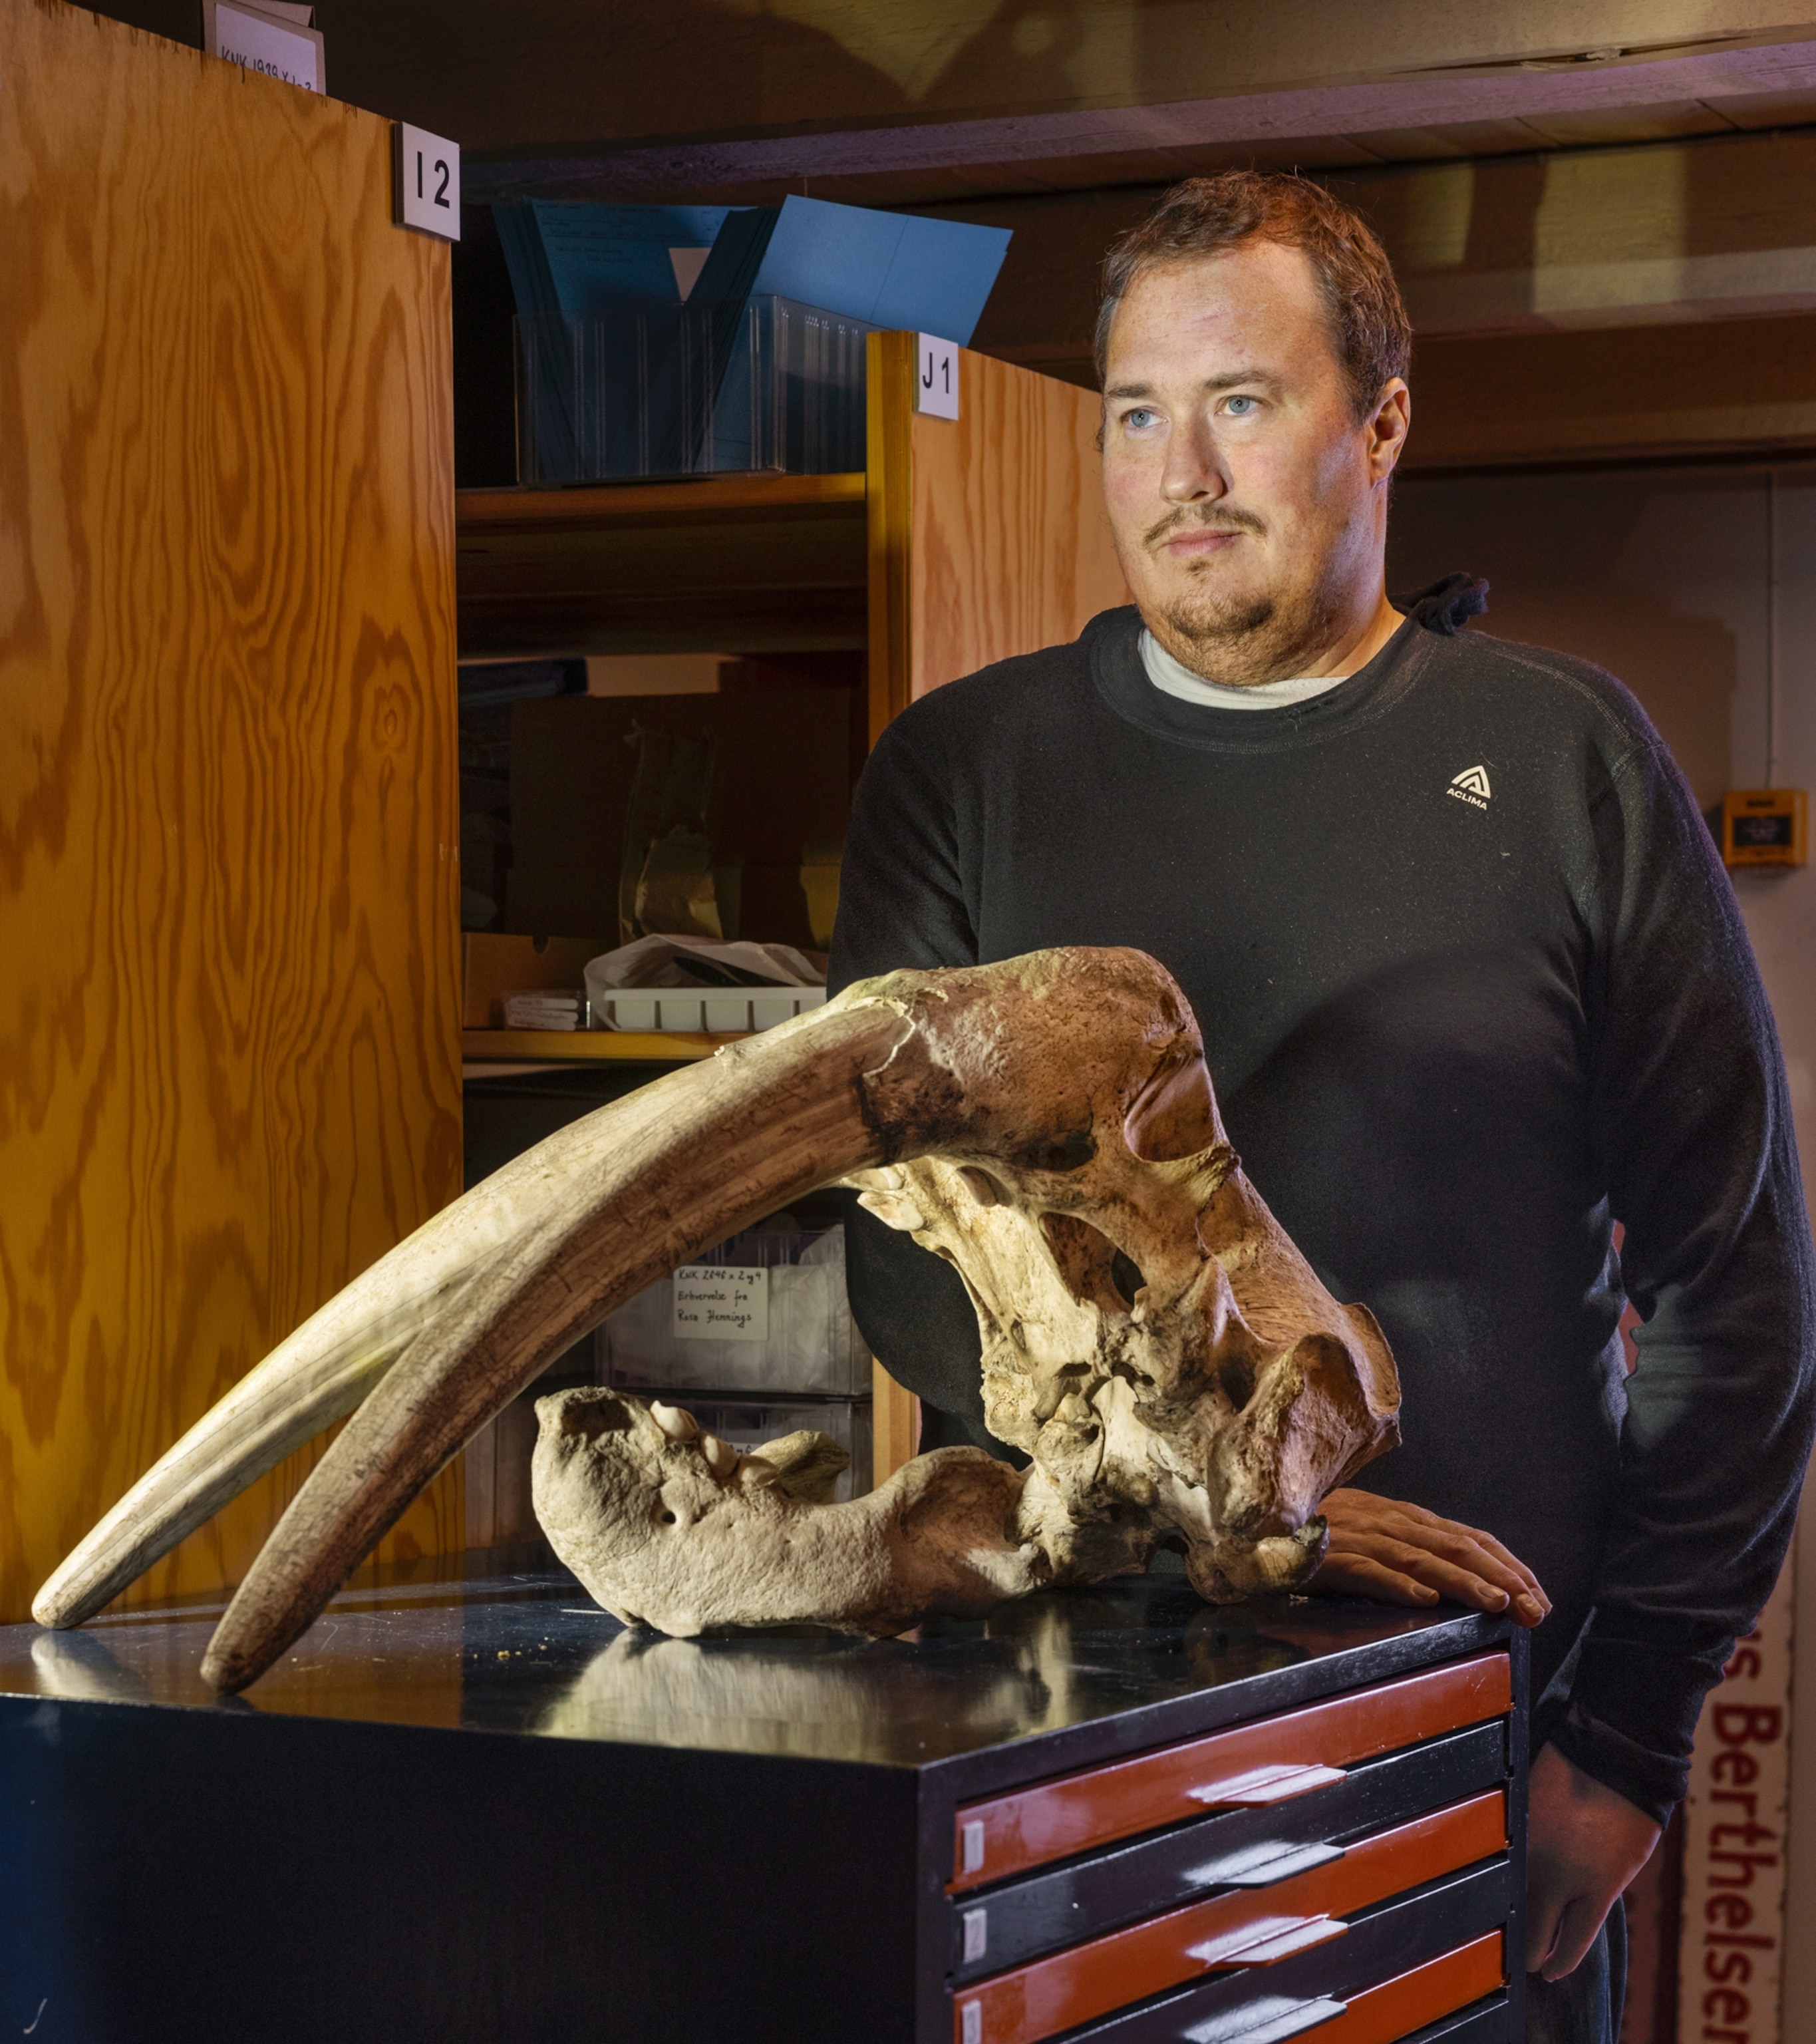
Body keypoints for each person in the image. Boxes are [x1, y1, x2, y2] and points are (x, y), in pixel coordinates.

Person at [828, 172, 1816, 2041]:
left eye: (1242, 402)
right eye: (1135, 412)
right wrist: (1231, 1494)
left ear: (1377, 426)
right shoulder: (963, 773)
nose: (1179, 470)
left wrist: (1621, 1742)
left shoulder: (1562, 759)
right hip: (1073, 1734)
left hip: (1479, 1727)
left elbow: (1735, 1300)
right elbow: (898, 1260)